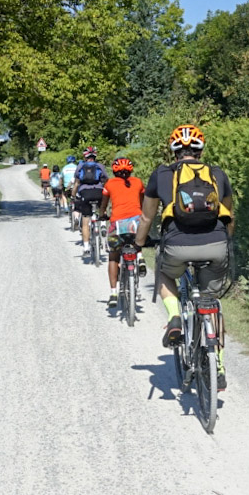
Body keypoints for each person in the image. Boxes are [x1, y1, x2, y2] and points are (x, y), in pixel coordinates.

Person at [135, 124, 233, 389]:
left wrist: (139, 243)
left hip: (177, 245)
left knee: (164, 274)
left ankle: (175, 317)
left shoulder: (162, 174)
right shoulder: (217, 174)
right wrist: (226, 243)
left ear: (173, 151)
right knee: (211, 302)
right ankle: (218, 366)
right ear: (200, 150)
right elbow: (229, 215)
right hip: (216, 245)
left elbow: (146, 217)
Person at [98, 157, 146, 307]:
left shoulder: (109, 184)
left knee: (113, 257)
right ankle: (140, 257)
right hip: (136, 223)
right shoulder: (138, 182)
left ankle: (113, 293)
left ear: (114, 171)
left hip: (117, 225)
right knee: (137, 240)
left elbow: (103, 204)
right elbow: (143, 202)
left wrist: (102, 214)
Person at [71, 146, 108, 255]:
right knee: (102, 207)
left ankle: (86, 247)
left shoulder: (80, 166)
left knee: (85, 221)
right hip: (99, 191)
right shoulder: (100, 166)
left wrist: (73, 195)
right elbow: (106, 180)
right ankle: (103, 224)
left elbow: (76, 183)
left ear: (85, 157)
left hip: (85, 193)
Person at [60, 155, 78, 221]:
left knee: (64, 194)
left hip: (67, 187)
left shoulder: (64, 168)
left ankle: (66, 207)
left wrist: (61, 185)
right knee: (76, 197)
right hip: (76, 187)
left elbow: (61, 178)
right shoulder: (77, 167)